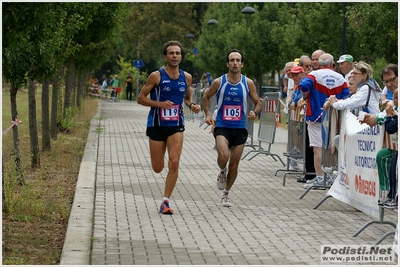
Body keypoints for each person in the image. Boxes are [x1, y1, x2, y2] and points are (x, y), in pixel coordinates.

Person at [137, 40, 201, 215]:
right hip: (157, 124)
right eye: (171, 53)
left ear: (181, 56)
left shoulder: (186, 77)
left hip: (176, 124)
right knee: (158, 167)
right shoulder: (156, 76)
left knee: (174, 161)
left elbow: (187, 99)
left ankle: (165, 201)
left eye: (177, 53)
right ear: (165, 56)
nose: (175, 56)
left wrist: (193, 105)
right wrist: (159, 104)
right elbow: (141, 98)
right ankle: (160, 158)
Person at [202, 48, 262, 207]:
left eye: (238, 60)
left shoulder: (248, 83)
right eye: (232, 60)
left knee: (234, 164)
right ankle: (222, 171)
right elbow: (206, 97)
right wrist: (208, 114)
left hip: (240, 127)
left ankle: (226, 194)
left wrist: (254, 113)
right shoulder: (219, 82)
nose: (235, 63)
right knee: (223, 157)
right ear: (227, 63)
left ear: (242, 64)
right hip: (222, 125)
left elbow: (258, 102)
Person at [299, 53, 350, 189]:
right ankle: (331, 177)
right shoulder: (340, 77)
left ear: (320, 64)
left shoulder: (314, 75)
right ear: (332, 64)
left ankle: (320, 177)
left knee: (317, 148)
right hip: (334, 117)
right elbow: (347, 95)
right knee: (332, 148)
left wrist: (305, 97)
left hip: (316, 115)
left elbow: (303, 85)